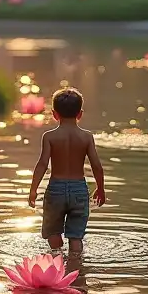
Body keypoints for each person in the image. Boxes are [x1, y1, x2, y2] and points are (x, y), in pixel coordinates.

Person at [28, 86, 106, 258]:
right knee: (76, 236)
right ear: (80, 114)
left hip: (56, 189)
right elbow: (96, 166)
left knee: (53, 232)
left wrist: (33, 189)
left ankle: (56, 260)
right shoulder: (86, 137)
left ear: (55, 114)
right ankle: (76, 266)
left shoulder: (49, 137)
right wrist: (100, 188)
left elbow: (42, 164)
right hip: (79, 189)